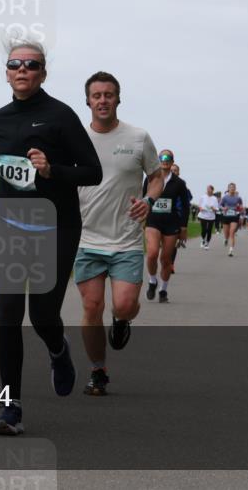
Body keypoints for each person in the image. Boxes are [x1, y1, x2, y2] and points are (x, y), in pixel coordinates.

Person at [0, 39, 102, 435]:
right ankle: (10, 406)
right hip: (9, 226)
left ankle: (58, 349)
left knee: (43, 315)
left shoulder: (60, 116)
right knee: (8, 314)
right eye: (15, 64)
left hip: (56, 226)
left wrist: (51, 171)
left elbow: (92, 172)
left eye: (31, 64)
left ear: (43, 73)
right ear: (7, 72)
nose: (22, 70)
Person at [74, 72, 163, 397]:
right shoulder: (76, 140)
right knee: (91, 307)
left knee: (123, 305)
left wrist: (149, 200)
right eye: (96, 95)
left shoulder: (138, 138)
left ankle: (123, 320)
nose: (102, 100)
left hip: (125, 240)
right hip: (86, 240)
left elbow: (156, 176)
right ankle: (98, 371)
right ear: (87, 101)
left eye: (108, 95)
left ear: (118, 99)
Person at [144, 150, 191, 304]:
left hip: (171, 223)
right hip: (153, 221)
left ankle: (163, 290)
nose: (165, 160)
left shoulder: (179, 183)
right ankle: (152, 281)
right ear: (158, 160)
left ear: (172, 162)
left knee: (166, 259)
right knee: (151, 254)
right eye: (162, 158)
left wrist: (183, 227)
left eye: (168, 158)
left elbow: (185, 206)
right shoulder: (150, 179)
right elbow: (143, 198)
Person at [220, 183, 243, 256]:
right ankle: (226, 239)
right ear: (228, 188)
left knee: (232, 232)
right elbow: (220, 205)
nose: (232, 189)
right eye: (231, 187)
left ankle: (231, 250)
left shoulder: (238, 198)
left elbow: (241, 206)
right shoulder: (225, 197)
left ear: (235, 189)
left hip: (234, 216)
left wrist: (240, 208)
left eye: (233, 187)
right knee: (226, 234)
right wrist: (224, 208)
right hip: (226, 216)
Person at [197, 185, 219, 249]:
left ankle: (207, 243)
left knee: (209, 230)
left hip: (211, 216)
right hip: (203, 215)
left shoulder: (214, 198)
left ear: (212, 190)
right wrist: (200, 208)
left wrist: (213, 208)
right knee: (204, 229)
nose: (208, 190)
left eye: (209, 189)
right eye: (207, 189)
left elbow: (217, 208)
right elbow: (199, 205)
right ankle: (203, 240)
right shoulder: (203, 197)